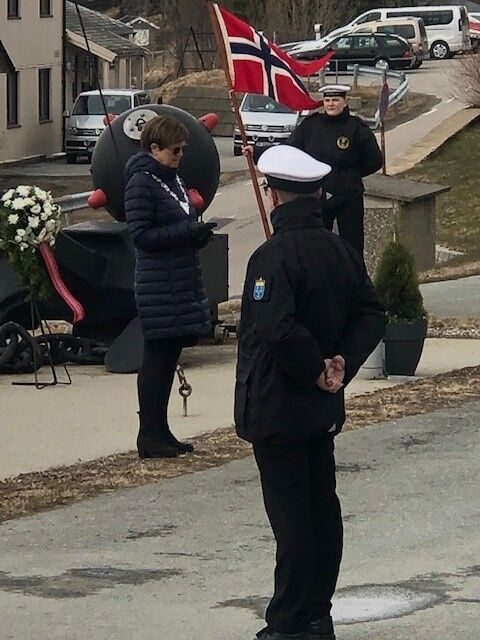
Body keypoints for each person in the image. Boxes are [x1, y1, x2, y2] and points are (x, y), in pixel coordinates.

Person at [234, 144, 386, 640]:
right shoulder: (341, 249)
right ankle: (317, 611)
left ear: (274, 194)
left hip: (281, 404)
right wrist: (343, 362)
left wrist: (318, 368)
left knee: (293, 517)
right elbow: (371, 313)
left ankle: (289, 620)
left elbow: (276, 328)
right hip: (321, 405)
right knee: (322, 507)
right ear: (316, 193)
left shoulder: (272, 256)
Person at [124, 115, 216, 459]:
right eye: (175, 150)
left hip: (181, 280)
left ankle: (162, 431)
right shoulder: (140, 183)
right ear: (154, 149)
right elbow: (141, 235)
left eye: (184, 150)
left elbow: (182, 222)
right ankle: (148, 434)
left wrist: (197, 235)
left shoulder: (173, 179)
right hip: (158, 283)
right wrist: (186, 234)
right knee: (156, 359)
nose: (180, 155)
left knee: (170, 357)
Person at [286, 84, 383, 256]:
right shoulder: (310, 126)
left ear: (345, 102)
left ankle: (353, 281)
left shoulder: (356, 128)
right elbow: (289, 151)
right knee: (317, 248)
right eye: (327, 100)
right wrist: (256, 152)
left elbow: (374, 161)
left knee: (352, 247)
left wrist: (349, 175)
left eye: (335, 100)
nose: (331, 104)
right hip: (316, 196)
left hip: (348, 197)